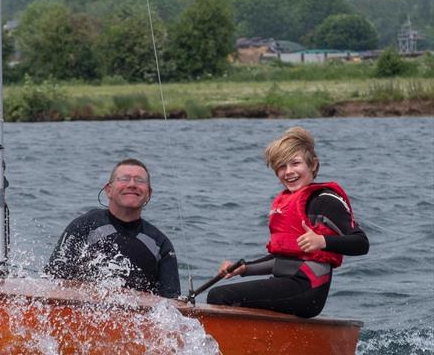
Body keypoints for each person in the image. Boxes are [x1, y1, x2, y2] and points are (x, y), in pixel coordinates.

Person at [207, 126, 369, 318]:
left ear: (313, 165)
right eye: (282, 166)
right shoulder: (285, 203)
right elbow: (281, 259)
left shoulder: (325, 200)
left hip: (308, 288)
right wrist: (244, 269)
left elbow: (361, 243)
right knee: (221, 294)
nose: (288, 172)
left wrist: (323, 242)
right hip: (286, 285)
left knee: (219, 296)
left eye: (295, 163)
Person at [44, 158, 181, 298]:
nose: (132, 184)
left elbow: (172, 303)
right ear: (108, 190)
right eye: (124, 179)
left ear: (148, 194)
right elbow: (52, 280)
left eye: (140, 180)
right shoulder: (83, 227)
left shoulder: (161, 244)